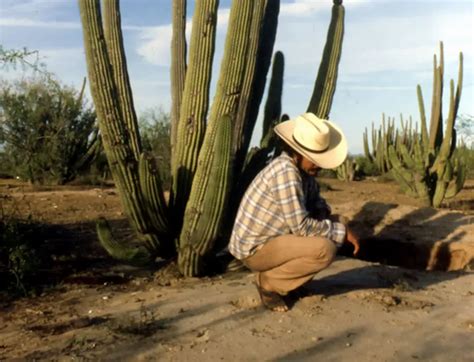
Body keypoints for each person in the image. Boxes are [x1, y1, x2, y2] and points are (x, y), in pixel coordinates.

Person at [228, 112, 360, 312]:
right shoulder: (286, 172)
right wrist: (342, 232)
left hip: (276, 238)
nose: (318, 164)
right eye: (313, 158)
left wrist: (330, 218)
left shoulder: (304, 172)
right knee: (325, 248)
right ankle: (269, 283)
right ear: (296, 152)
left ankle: (291, 283)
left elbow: (318, 203)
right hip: (256, 249)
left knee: (337, 221)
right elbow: (302, 227)